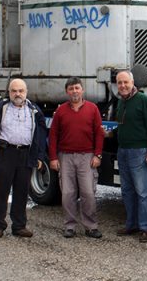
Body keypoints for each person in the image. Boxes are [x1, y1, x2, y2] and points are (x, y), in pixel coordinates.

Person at [0, 79, 48, 238]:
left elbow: (41, 132)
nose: (17, 94)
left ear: (26, 92)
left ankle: (19, 226)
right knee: (1, 191)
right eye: (14, 91)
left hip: (25, 154)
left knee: (22, 192)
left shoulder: (34, 110)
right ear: (9, 92)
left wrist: (38, 155)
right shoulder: (0, 108)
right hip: (5, 153)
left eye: (21, 91)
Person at [48, 77, 104, 239]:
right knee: (67, 193)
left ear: (82, 90)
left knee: (88, 193)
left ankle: (91, 226)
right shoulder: (60, 111)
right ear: (67, 91)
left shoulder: (93, 109)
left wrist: (98, 155)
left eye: (77, 88)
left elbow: (99, 134)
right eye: (71, 88)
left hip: (87, 157)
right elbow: (53, 136)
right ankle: (69, 226)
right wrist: (53, 157)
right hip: (65, 157)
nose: (74, 91)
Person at [115, 70, 147, 243]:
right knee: (127, 191)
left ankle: (146, 228)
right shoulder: (122, 102)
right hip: (123, 151)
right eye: (119, 83)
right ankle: (131, 224)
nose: (123, 86)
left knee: (143, 192)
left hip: (139, 152)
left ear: (133, 82)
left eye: (125, 82)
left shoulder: (143, 100)